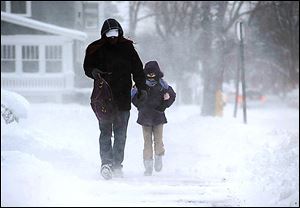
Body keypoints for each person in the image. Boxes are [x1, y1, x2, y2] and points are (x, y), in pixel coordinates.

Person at [83, 18, 147, 180]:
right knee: (105, 132)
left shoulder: (127, 48)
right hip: (103, 97)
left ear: (120, 32)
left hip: (123, 98)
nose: (112, 37)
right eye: (109, 34)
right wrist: (94, 72)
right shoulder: (95, 48)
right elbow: (87, 67)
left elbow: (138, 69)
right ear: (104, 34)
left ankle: (117, 165)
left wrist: (142, 87)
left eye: (115, 33)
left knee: (121, 134)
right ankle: (106, 163)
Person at [131, 61, 176, 176]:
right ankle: (148, 165)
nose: (151, 76)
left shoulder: (162, 85)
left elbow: (172, 95)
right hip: (145, 116)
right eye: (149, 73)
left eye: (153, 73)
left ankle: (159, 157)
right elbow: (132, 96)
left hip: (158, 116)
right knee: (147, 141)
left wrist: (164, 104)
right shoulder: (140, 85)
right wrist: (140, 105)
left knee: (158, 140)